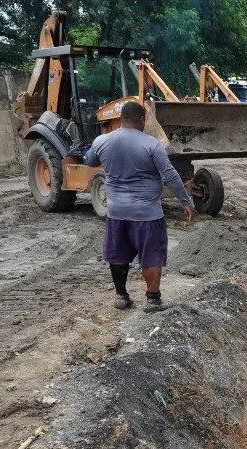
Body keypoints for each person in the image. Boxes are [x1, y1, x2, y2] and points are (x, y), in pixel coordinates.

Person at [83, 100, 194, 313]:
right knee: (151, 254)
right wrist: (185, 201)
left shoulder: (102, 141)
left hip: (116, 212)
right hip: (147, 214)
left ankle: (121, 297)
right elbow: (170, 174)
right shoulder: (151, 144)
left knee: (118, 254)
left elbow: (89, 161)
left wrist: (89, 151)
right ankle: (153, 300)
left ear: (120, 119)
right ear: (142, 120)